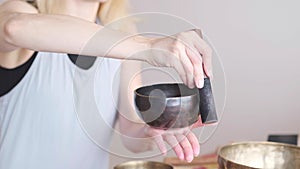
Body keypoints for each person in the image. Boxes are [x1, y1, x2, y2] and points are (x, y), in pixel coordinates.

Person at [0, 0, 213, 168]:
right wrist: (147, 46)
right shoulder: (23, 12)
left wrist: (154, 128)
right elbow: (13, 28)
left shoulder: (124, 40)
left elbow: (131, 131)